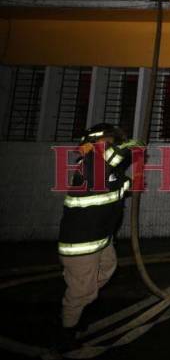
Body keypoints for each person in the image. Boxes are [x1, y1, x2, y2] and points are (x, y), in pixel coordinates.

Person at [57, 124, 141, 344]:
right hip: (81, 245)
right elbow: (112, 160)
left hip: (100, 241)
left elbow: (117, 185)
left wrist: (131, 185)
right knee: (81, 290)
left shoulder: (106, 172)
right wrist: (128, 145)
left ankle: (81, 304)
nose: (111, 147)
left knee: (107, 269)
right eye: (108, 143)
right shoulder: (89, 165)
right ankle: (67, 332)